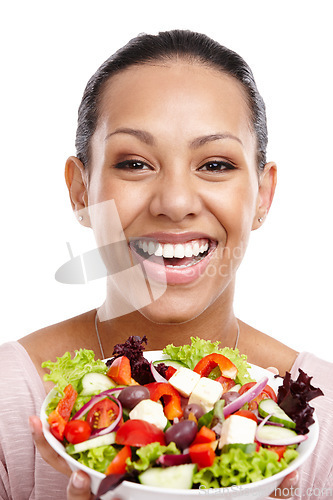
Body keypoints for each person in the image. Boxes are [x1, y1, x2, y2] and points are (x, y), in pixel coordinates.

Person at [0, 30, 331, 500]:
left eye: (215, 164)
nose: (175, 203)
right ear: (80, 190)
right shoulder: (8, 400)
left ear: (264, 195)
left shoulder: (326, 420)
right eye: (135, 163)